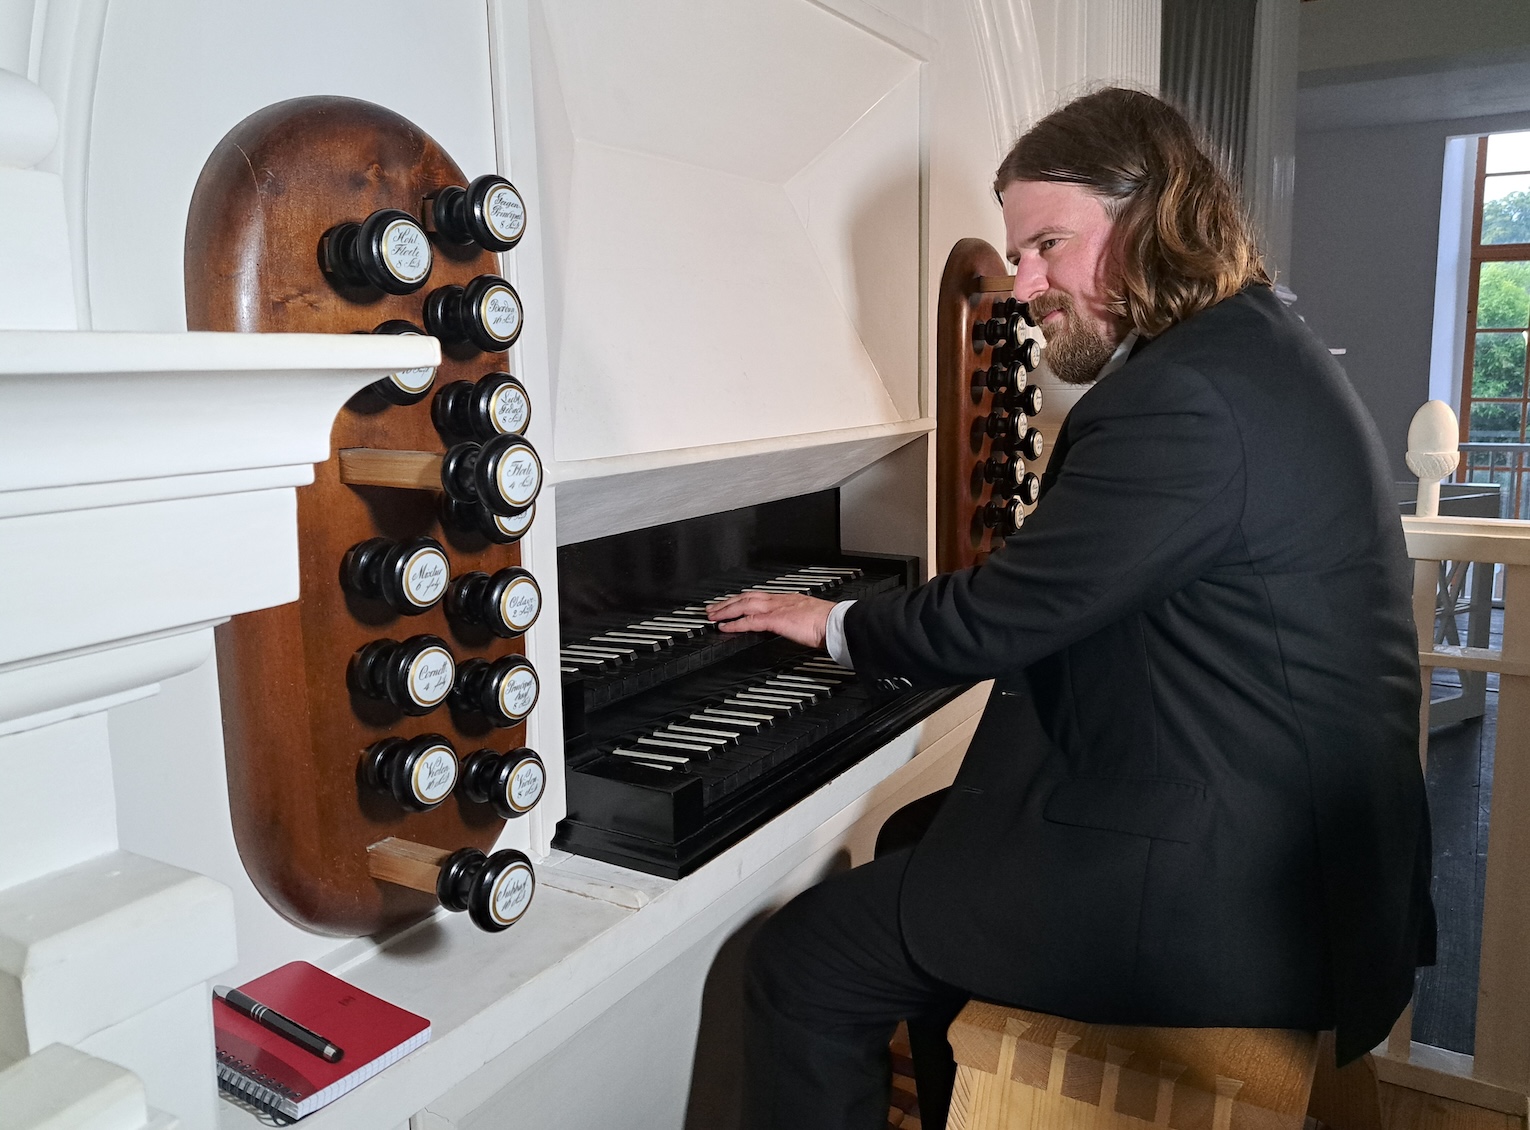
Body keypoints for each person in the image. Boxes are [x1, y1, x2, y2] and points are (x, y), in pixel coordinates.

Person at [707, 87, 1435, 1130]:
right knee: (923, 823)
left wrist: (829, 621)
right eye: (1019, 254)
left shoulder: (1180, 398)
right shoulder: (1253, 347)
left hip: (1235, 892)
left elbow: (997, 619)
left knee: (803, 958)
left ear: (1157, 217)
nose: (1023, 284)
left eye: (1050, 245)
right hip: (1294, 845)